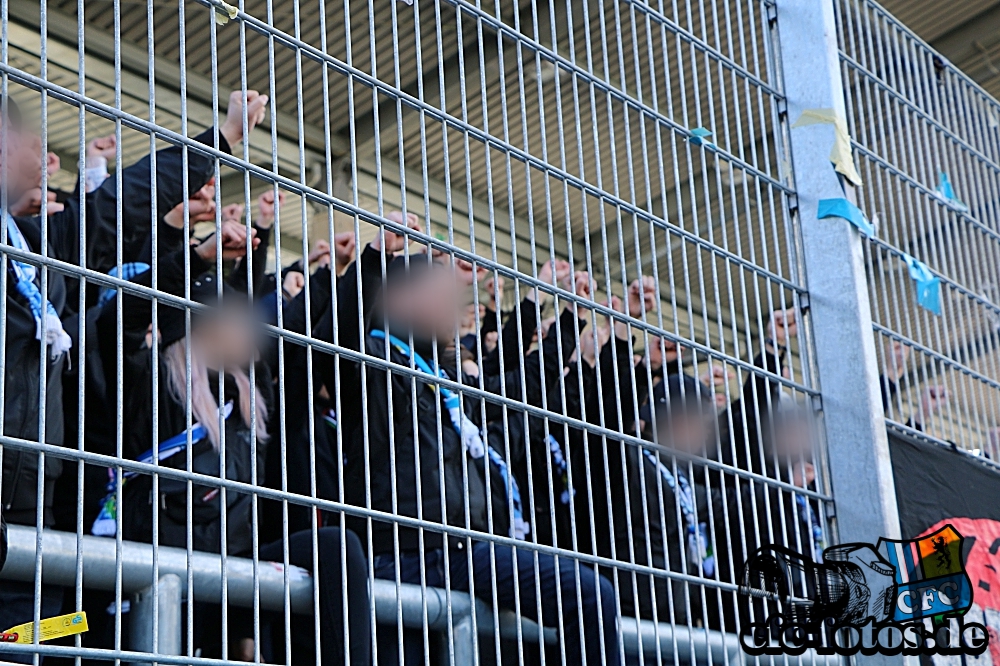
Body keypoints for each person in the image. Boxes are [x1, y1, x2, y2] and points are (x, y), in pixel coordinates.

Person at [320, 213, 619, 665]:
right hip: (411, 554)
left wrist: (569, 321)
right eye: (441, 297)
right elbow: (338, 334)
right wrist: (376, 257)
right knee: (590, 596)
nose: (454, 312)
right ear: (397, 301)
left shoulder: (447, 385)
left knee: (590, 596)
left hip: (465, 553)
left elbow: (519, 403)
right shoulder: (376, 362)